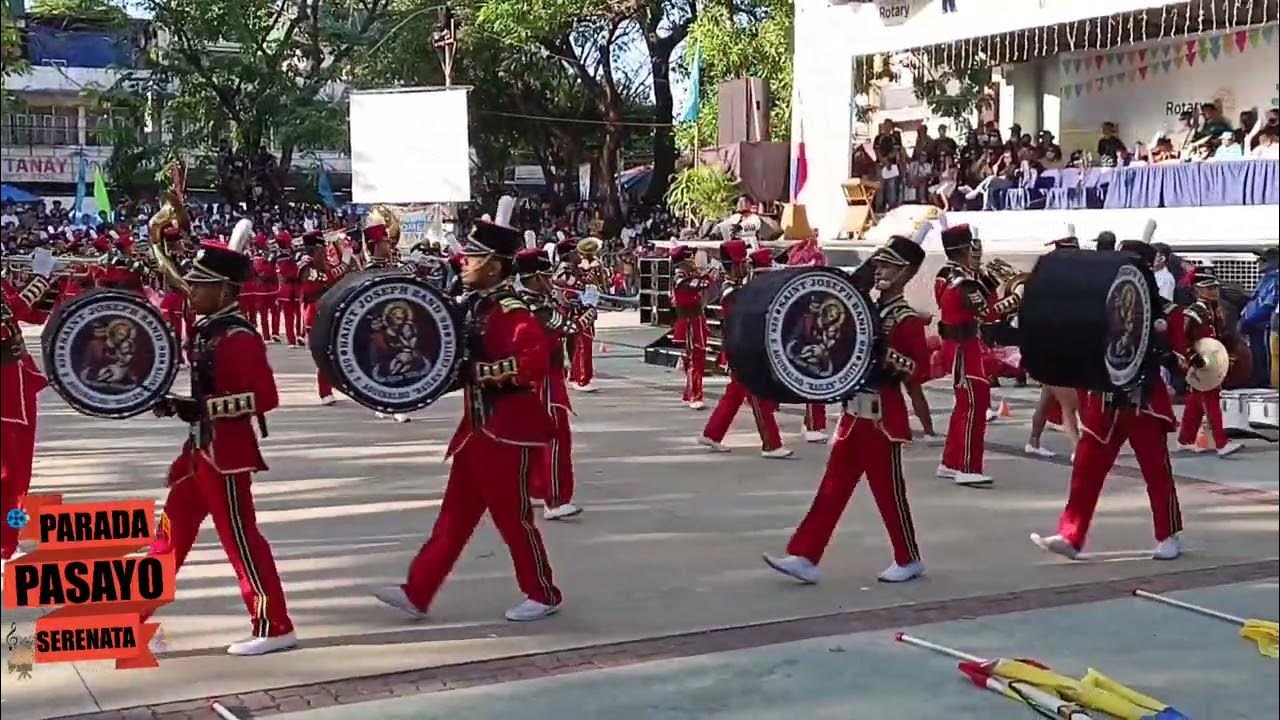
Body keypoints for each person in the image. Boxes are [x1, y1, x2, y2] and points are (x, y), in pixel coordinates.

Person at [371, 208, 563, 623]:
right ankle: (417, 591)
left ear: (494, 266)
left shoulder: (511, 311)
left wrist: (479, 372)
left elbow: (533, 361)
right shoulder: (475, 306)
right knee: (453, 519)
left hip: (509, 431)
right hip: (478, 429)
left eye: (473, 258)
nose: (464, 263)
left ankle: (542, 592)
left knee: (514, 520)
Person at [147, 229, 296, 655]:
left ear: (224, 290)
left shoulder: (239, 336)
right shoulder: (211, 329)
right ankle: (131, 613)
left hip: (228, 455)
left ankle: (275, 624)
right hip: (201, 451)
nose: (190, 290)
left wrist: (203, 409)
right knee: (169, 536)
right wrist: (180, 405)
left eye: (200, 285)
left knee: (242, 539)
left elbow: (265, 397)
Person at [764, 235, 930, 585]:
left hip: (882, 415)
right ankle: (806, 555)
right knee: (832, 487)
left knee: (889, 493)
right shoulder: (866, 308)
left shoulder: (905, 319)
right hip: (853, 414)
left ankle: (908, 557)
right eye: (879, 263)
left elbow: (920, 370)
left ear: (906, 273)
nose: (879, 270)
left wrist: (885, 353)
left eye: (887, 265)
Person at [1031, 239, 1185, 561]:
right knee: (1085, 471)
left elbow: (1175, 351)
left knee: (1157, 472)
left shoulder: (1165, 310)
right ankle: (1071, 535)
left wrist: (1169, 352)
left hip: (1143, 401)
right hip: (1104, 400)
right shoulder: (1100, 303)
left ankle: (1168, 534)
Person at [514, 247, 597, 520]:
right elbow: (568, 327)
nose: (551, 280)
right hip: (544, 377)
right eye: (546, 276)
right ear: (535, 277)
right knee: (556, 436)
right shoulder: (534, 305)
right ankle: (556, 498)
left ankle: (536, 488)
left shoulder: (530, 299)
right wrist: (589, 313)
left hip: (538, 375)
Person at [700, 240, 790, 459]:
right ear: (734, 265)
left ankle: (713, 433)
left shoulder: (737, 288)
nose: (746, 268)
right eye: (742, 264)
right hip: (742, 350)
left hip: (741, 349)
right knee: (758, 395)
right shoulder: (732, 291)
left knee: (735, 394)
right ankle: (771, 444)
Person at [935, 225, 1007, 486]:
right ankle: (967, 465)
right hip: (965, 347)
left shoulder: (945, 275)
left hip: (955, 344)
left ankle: (951, 461)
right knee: (975, 405)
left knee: (963, 406)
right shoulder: (962, 281)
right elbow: (988, 314)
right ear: (965, 250)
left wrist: (987, 281)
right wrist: (1017, 297)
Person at [1, 248, 59, 562]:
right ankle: (5, 544)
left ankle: (12, 535)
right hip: (5, 391)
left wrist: (55, 280)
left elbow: (32, 314)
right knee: (8, 474)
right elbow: (10, 311)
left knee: (20, 475)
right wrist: (40, 277)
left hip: (18, 384)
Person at [1174, 267, 1243, 457]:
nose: (1214, 291)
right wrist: (1193, 359)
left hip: (1211, 362)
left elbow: (1218, 337)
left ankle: (1185, 440)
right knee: (1211, 401)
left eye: (1215, 287)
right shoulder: (1193, 312)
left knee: (1196, 402)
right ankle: (1221, 443)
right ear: (1197, 290)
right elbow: (1183, 339)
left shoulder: (1214, 311)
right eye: (1209, 288)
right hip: (1200, 364)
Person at [781, 205, 830, 443]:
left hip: (807, 317)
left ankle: (814, 422)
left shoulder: (796, 255)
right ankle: (813, 423)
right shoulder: (809, 256)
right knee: (814, 370)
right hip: (809, 319)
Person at [299, 231, 352, 405]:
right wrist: (344, 262)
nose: (324, 252)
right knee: (323, 354)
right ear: (315, 249)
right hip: (315, 312)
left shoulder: (319, 265)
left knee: (330, 353)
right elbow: (325, 280)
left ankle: (328, 388)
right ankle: (324, 391)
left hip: (324, 309)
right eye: (321, 249)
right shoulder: (308, 267)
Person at [670, 244, 715, 410]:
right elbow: (700, 285)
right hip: (690, 322)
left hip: (696, 319)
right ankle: (695, 395)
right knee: (696, 358)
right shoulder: (681, 279)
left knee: (696, 358)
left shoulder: (688, 276)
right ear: (682, 263)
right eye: (689, 259)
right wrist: (710, 275)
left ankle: (689, 392)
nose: (693, 262)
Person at [1241, 247, 1278, 388]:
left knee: (1266, 360)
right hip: (1256, 327)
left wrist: (1247, 322)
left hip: (1265, 327)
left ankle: (1266, 382)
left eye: (1263, 260)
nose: (1259, 263)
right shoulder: (1266, 278)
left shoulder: (1275, 279)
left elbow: (1267, 306)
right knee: (1257, 358)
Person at [274, 231, 302, 346]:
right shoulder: (280, 256)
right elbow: (286, 273)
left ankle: (298, 336)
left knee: (296, 314)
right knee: (290, 315)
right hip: (289, 287)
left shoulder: (293, 254)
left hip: (293, 287)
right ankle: (293, 338)